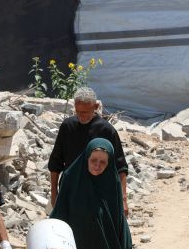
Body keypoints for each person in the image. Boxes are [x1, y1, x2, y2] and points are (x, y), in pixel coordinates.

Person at [48, 87, 130, 216]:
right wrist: (54, 192)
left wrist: (123, 199)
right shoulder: (68, 126)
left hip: (98, 192)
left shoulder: (106, 130)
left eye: (85, 112)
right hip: (70, 190)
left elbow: (120, 167)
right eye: (78, 111)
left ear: (96, 106)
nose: (81, 116)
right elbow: (55, 162)